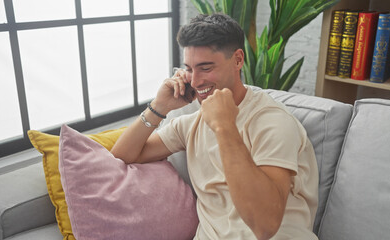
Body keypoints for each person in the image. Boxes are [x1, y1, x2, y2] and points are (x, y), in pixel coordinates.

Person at [111, 13, 319, 240]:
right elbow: (122, 157)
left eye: (206, 68)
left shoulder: (273, 122)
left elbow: (265, 225)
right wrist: (158, 106)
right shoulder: (191, 124)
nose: (195, 81)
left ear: (238, 60)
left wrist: (224, 126)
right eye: (189, 68)